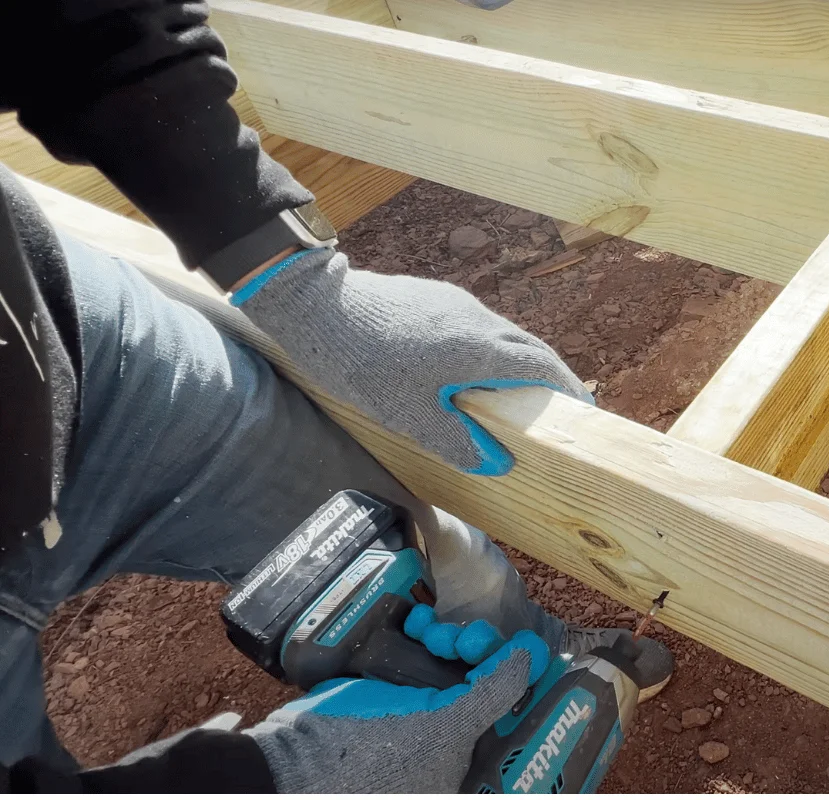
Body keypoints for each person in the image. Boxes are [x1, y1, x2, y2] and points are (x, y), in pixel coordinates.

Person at [0, 0, 672, 791]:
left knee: (411, 546)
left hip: (70, 347)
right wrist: (281, 781)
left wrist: (292, 277)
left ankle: (532, 653)